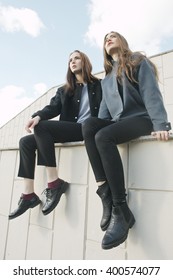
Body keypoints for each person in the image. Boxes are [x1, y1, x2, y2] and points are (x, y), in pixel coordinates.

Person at [82, 31, 171, 250]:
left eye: (113, 36)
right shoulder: (107, 78)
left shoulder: (138, 61)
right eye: (105, 38)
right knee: (90, 125)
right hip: (118, 122)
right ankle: (106, 193)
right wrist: (90, 132)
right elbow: (103, 114)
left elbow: (151, 93)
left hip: (141, 119)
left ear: (123, 42)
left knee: (103, 135)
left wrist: (161, 124)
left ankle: (120, 208)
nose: (108, 39)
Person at [9, 50, 102, 220]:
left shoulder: (100, 85)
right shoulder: (65, 90)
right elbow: (52, 108)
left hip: (86, 130)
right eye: (70, 60)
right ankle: (28, 194)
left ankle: (54, 183)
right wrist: (37, 116)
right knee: (25, 142)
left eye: (76, 58)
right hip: (69, 129)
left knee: (42, 128)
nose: (72, 62)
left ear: (85, 61)